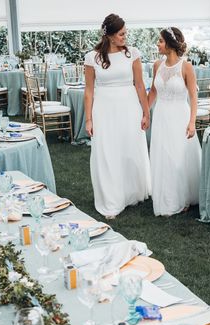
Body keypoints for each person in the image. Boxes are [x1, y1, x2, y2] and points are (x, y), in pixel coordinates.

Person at [84, 13, 151, 219]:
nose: (125, 37)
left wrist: (146, 111)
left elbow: (140, 85)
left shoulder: (133, 53)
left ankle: (132, 192)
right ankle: (111, 199)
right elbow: (89, 91)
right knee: (107, 151)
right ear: (110, 35)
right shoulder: (91, 57)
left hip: (129, 107)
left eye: (125, 33)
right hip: (104, 109)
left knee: (129, 148)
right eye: (121, 34)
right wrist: (88, 119)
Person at [147, 27, 201, 217]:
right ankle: (166, 194)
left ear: (169, 44)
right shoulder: (156, 65)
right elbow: (153, 92)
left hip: (180, 116)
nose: (158, 44)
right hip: (161, 115)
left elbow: (193, 97)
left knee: (178, 158)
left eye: (160, 41)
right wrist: (145, 112)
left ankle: (183, 197)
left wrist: (192, 122)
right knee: (164, 156)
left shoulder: (186, 67)